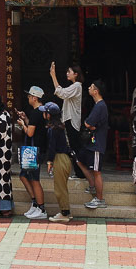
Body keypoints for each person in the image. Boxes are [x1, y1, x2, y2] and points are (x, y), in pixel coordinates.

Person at [77, 80, 108, 209]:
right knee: (79, 159)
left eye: (91, 87)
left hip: (97, 143)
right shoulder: (98, 105)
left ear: (96, 91)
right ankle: (92, 186)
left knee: (97, 171)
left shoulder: (100, 106)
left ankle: (100, 199)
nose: (88, 88)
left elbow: (88, 123)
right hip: (92, 143)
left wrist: (88, 124)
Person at [51, 61, 85, 178]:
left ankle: (80, 172)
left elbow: (62, 93)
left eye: (69, 71)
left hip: (72, 120)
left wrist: (53, 76)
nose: (67, 73)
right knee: (74, 146)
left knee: (75, 147)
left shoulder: (77, 86)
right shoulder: (75, 86)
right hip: (70, 119)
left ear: (76, 74)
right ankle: (79, 172)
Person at [19, 85, 48, 219]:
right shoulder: (41, 111)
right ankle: (35, 203)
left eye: (30, 96)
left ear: (34, 98)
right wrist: (26, 119)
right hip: (35, 149)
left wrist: (22, 125)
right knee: (24, 175)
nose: (28, 98)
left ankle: (41, 208)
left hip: (34, 150)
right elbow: (34, 126)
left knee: (34, 179)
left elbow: (30, 132)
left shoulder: (37, 112)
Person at [41, 102, 73, 222]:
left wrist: (49, 161)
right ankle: (66, 211)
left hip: (59, 158)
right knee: (62, 186)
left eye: (45, 112)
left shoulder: (53, 129)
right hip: (65, 158)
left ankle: (64, 213)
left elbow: (52, 146)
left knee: (60, 188)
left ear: (49, 115)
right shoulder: (61, 126)